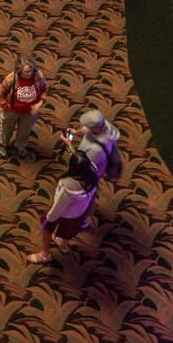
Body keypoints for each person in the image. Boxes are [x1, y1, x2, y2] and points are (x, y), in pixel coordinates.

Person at [28, 110, 120, 264]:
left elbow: (60, 205)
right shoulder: (91, 176)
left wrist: (49, 218)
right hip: (77, 212)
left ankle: (45, 254)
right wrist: (76, 133)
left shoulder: (69, 183)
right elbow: (84, 163)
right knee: (70, 228)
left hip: (66, 210)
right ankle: (63, 243)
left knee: (48, 228)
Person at [0, 55, 48, 159]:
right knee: (6, 129)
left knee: (25, 131)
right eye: (26, 72)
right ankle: (2, 145)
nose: (29, 74)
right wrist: (4, 105)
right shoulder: (11, 78)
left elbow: (45, 90)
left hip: (30, 112)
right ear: (19, 70)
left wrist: (40, 102)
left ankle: (20, 146)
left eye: (31, 71)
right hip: (12, 110)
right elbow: (1, 91)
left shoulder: (39, 77)